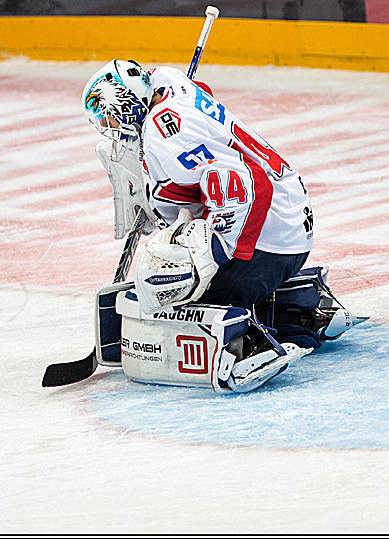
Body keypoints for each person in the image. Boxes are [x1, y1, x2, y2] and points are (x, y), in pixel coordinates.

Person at [81, 60, 352, 391]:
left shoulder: (164, 138)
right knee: (188, 271)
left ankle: (249, 344)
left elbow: (247, 184)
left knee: (177, 291)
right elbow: (194, 92)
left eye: (108, 114)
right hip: (289, 217)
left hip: (270, 230)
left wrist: (216, 251)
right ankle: (301, 305)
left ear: (128, 100)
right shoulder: (169, 82)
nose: (108, 126)